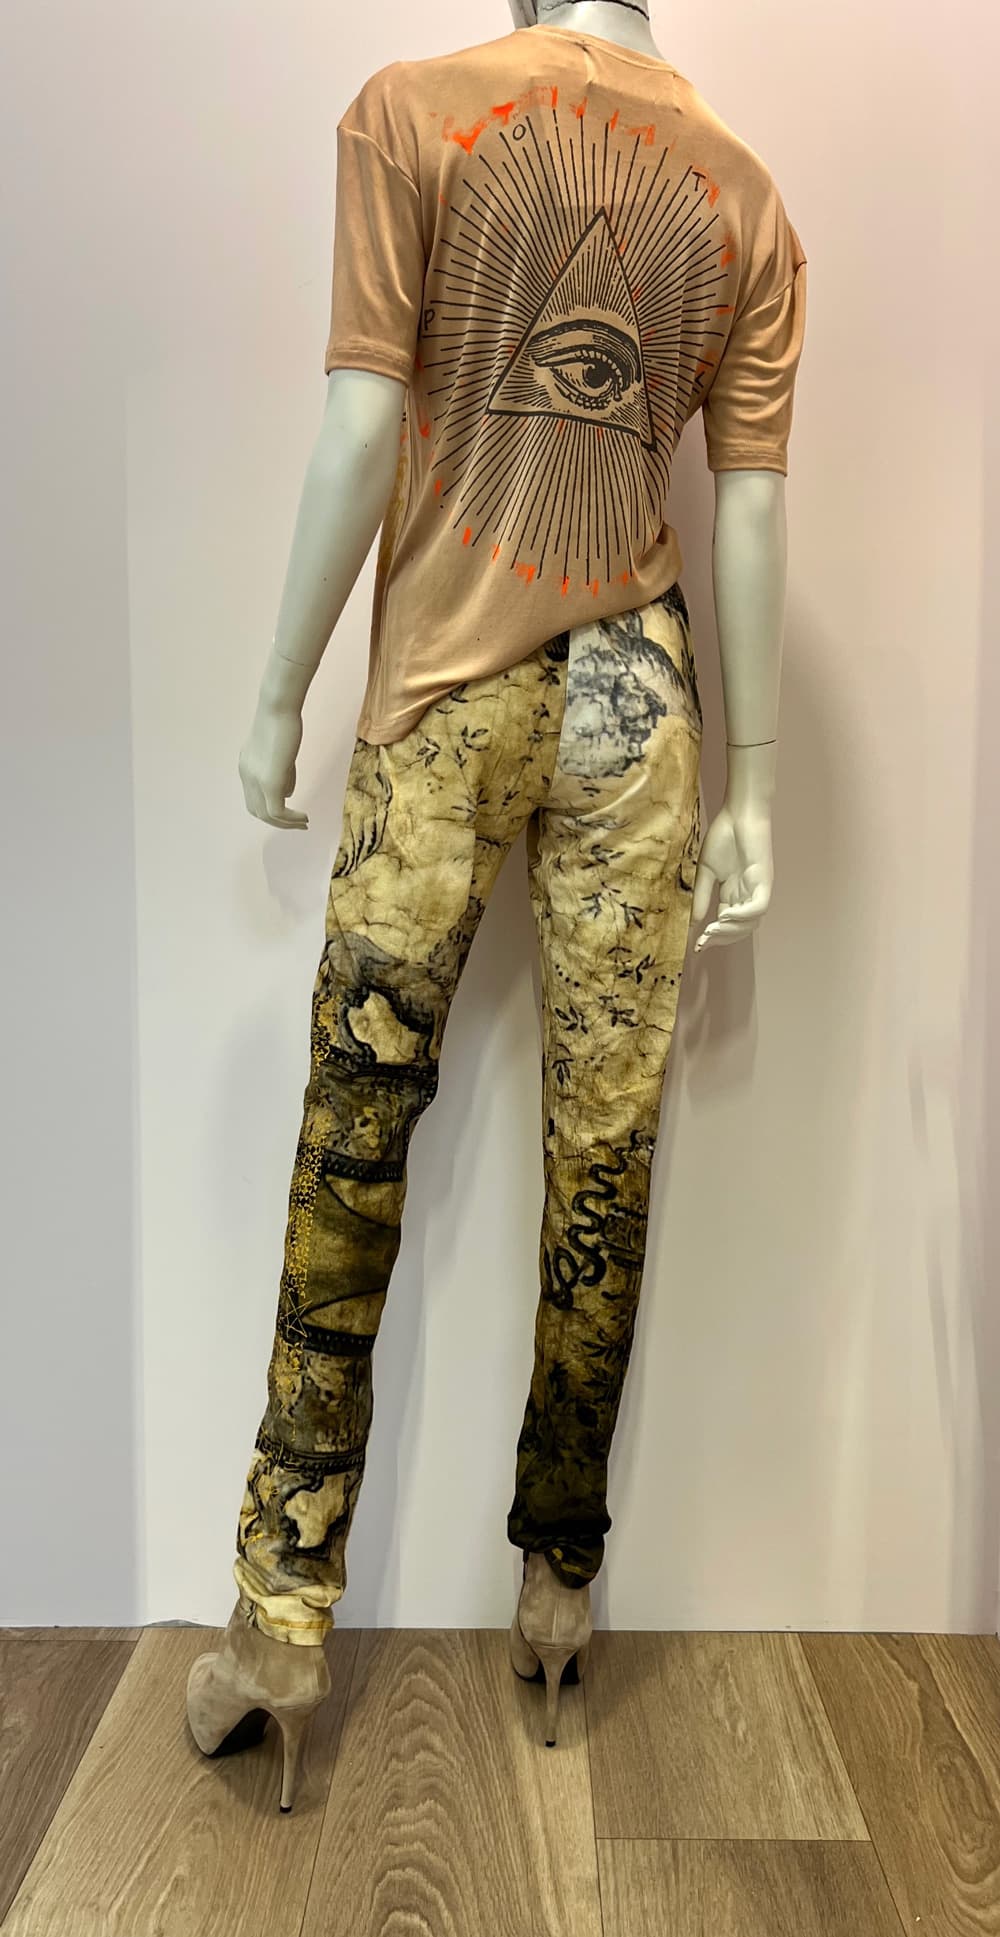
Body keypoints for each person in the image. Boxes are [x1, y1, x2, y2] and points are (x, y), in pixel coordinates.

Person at [186, 0, 807, 1809]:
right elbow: (749, 511)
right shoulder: (747, 194)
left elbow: (362, 420)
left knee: (354, 1138)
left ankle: (279, 1623)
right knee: (605, 1157)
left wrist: (278, 688)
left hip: (447, 702)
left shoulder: (411, 113)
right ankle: (558, 1589)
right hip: (645, 706)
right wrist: (755, 784)